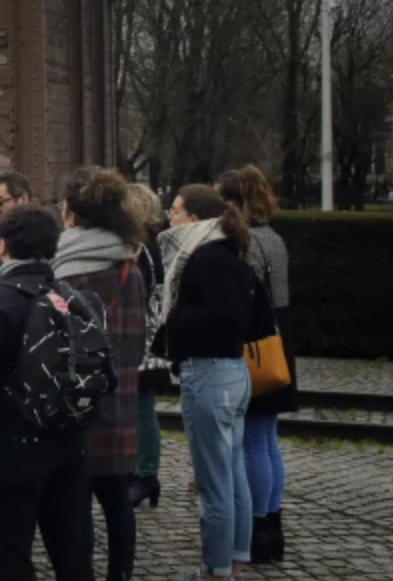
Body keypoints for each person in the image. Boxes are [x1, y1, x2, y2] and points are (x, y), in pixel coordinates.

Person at [0, 205, 95, 581]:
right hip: (69, 441)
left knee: (11, 552)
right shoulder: (72, 295)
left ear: (2, 246)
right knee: (71, 549)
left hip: (12, 441)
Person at [164, 184, 265, 580]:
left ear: (193, 217)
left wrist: (175, 320)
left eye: (174, 210)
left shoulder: (205, 257)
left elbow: (230, 317)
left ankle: (215, 570)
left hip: (209, 371)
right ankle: (233, 561)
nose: (169, 217)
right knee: (233, 477)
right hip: (230, 372)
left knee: (215, 483)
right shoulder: (226, 252)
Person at [54, 168, 146, 581]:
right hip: (121, 398)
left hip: (77, 401)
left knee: (77, 506)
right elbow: (138, 343)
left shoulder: (64, 273)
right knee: (118, 503)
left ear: (73, 212)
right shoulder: (132, 269)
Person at [218, 166, 293, 564]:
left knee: (253, 441)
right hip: (279, 343)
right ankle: (272, 525)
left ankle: (260, 524)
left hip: (258, 345)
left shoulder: (249, 242)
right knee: (267, 440)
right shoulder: (275, 238)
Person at [123, 184, 168, 509]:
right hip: (142, 336)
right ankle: (141, 472)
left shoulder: (144, 248)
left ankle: (146, 473)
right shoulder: (146, 245)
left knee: (141, 409)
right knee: (137, 408)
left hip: (144, 338)